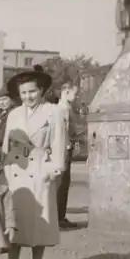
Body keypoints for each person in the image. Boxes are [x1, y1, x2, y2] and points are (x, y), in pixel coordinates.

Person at [0, 69, 67, 259]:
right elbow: (6, 146)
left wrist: (54, 170)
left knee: (40, 223)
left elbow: (59, 143)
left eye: (32, 91)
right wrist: (4, 171)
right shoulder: (14, 114)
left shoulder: (53, 112)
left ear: (41, 91)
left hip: (40, 171)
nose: (28, 97)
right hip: (16, 172)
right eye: (23, 93)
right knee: (14, 222)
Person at [56, 82, 79, 229]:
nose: (75, 97)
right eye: (74, 94)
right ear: (66, 93)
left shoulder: (62, 108)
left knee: (62, 183)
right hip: (65, 148)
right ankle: (59, 217)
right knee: (63, 183)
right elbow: (64, 130)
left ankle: (59, 215)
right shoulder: (64, 109)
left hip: (64, 147)